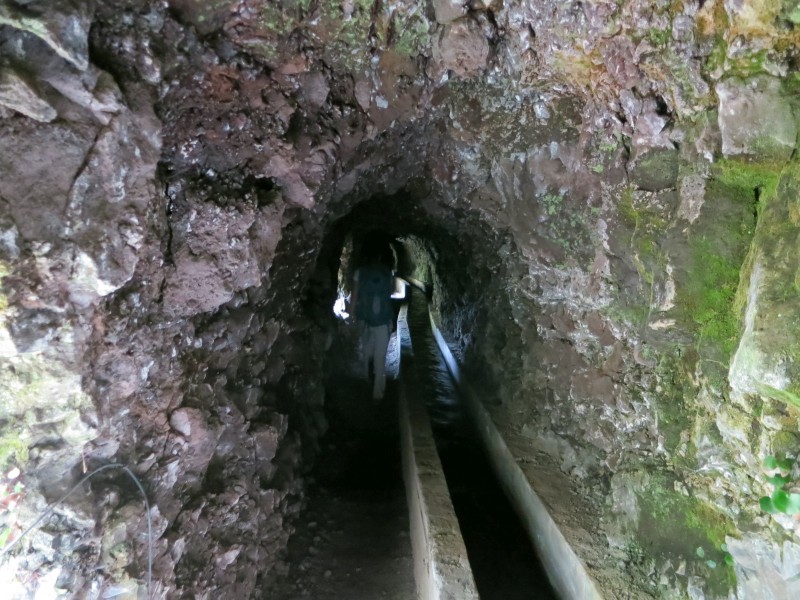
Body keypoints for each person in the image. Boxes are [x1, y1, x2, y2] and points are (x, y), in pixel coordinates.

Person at [351, 246, 395, 400]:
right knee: (380, 358)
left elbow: (354, 297)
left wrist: (351, 317)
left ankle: (365, 379)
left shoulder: (359, 272)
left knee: (365, 352)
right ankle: (378, 393)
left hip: (365, 320)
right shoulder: (387, 272)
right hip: (383, 322)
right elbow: (390, 294)